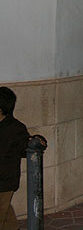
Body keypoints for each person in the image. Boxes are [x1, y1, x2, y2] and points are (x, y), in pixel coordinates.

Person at [0, 86, 29, 230]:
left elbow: (26, 149)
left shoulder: (16, 129)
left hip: (4, 182)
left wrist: (37, 141)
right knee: (6, 218)